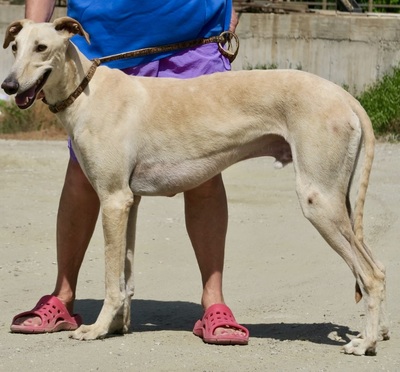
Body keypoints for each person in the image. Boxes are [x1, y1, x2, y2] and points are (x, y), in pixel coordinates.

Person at [10, 0, 249, 345]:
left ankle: (214, 302)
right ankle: (63, 298)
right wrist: (34, 36)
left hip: (192, 38)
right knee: (82, 175)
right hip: (105, 44)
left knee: (205, 175)